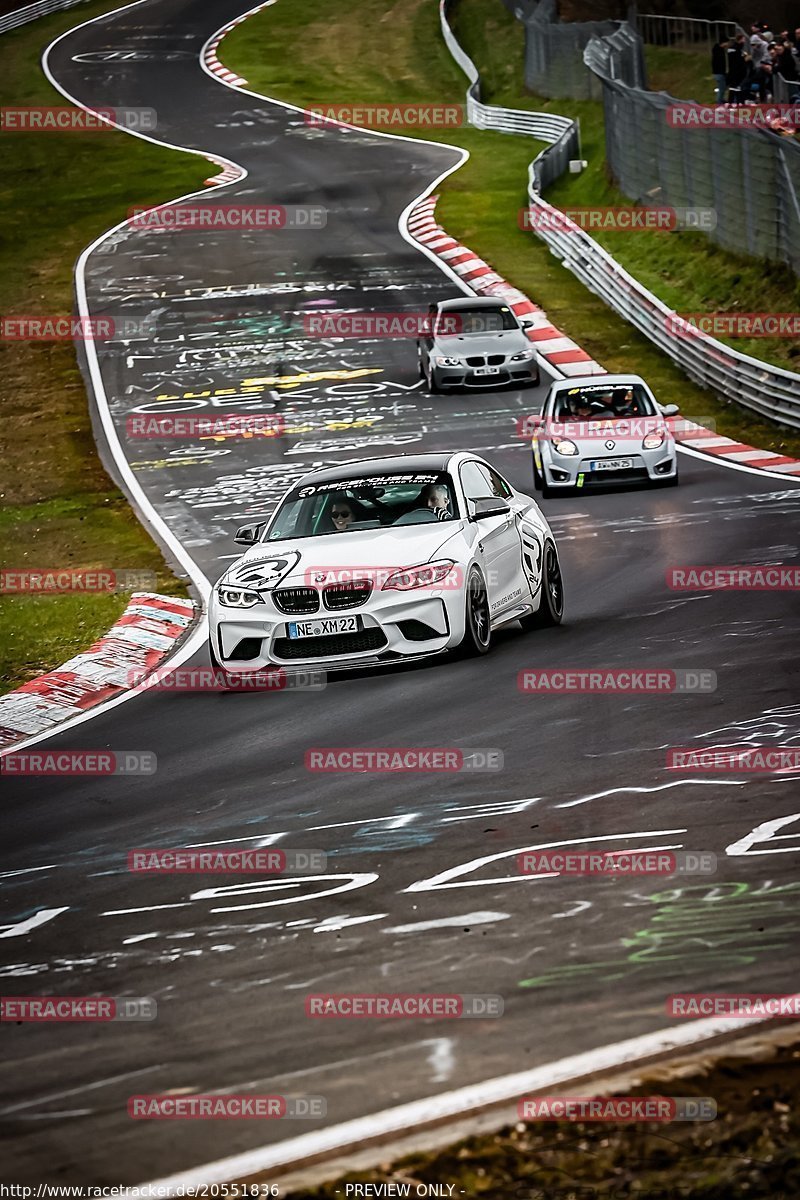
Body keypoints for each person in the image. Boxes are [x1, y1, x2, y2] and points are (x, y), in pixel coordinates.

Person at [712, 37, 730, 102]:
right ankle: (719, 103)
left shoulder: (718, 50)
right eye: (727, 42)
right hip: (720, 73)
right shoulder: (719, 51)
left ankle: (721, 100)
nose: (728, 44)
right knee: (721, 89)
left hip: (718, 73)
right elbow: (721, 63)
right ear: (723, 42)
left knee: (722, 88)